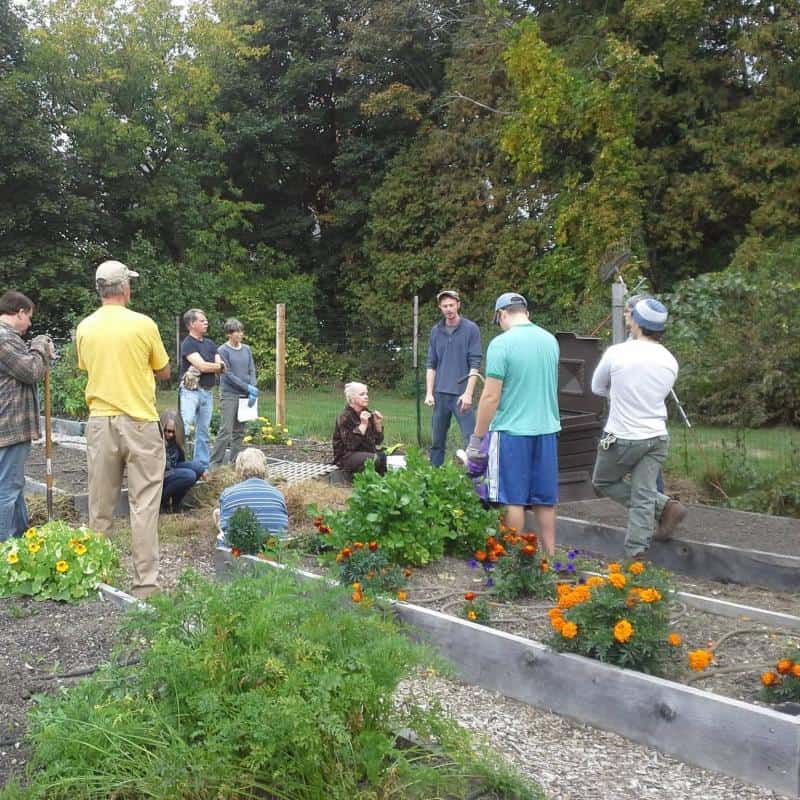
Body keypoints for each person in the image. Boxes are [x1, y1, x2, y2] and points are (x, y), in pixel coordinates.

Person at [76, 260, 171, 599]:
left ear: (100, 289)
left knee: (100, 504)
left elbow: (85, 366)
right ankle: (145, 585)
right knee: (144, 504)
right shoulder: (143, 324)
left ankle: (96, 576)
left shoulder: (85, 327)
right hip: (140, 422)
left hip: (100, 421)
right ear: (126, 288)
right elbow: (163, 371)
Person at [590, 298, 688, 558]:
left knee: (604, 481)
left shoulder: (617, 353)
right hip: (656, 437)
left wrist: (618, 391)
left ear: (637, 323)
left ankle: (661, 510)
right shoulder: (670, 360)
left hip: (622, 436)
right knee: (644, 493)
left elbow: (597, 387)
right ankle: (638, 552)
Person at [466, 293, 561, 555]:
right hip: (547, 429)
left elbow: (491, 396)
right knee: (545, 500)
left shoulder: (501, 344)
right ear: (526, 313)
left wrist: (477, 437)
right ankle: (550, 557)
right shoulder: (550, 341)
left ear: (502, 315)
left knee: (512, 499)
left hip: (511, 432)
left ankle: (514, 561)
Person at [0, 291, 54, 540]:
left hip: (12, 428)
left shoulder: (9, 338)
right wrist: (40, 344)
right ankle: (5, 552)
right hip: (8, 426)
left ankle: (20, 540)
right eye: (29, 317)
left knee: (14, 486)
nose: (30, 323)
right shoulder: (3, 338)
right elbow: (30, 370)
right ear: (19, 312)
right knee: (6, 491)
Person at [425, 289, 482, 466]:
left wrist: (468, 394)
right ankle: (433, 477)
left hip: (461, 395)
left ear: (458, 305)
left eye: (451, 305)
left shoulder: (471, 329)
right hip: (440, 394)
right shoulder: (436, 331)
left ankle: (474, 478)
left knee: (471, 440)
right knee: (437, 441)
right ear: (440, 308)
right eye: (444, 306)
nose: (448, 309)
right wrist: (429, 393)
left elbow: (475, 364)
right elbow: (431, 364)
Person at [179, 308, 225, 470]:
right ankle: (177, 462)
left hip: (207, 391)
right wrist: (215, 366)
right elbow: (203, 366)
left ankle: (201, 467)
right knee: (184, 427)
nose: (206, 322)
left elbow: (222, 366)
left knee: (203, 432)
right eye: (202, 320)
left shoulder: (210, 344)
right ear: (192, 324)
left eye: (206, 320)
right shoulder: (187, 344)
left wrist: (215, 366)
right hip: (190, 392)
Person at [209, 318, 258, 469]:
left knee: (239, 431)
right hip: (229, 394)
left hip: (246, 396)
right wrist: (246, 387)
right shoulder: (223, 350)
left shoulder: (247, 349)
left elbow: (251, 369)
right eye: (236, 332)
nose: (240, 334)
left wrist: (253, 388)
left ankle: (233, 464)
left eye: (241, 331)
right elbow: (227, 374)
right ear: (229, 334)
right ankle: (214, 464)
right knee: (226, 430)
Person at [215, 448, 289, 540]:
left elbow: (224, 523)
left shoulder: (228, 493)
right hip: (275, 548)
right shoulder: (278, 494)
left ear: (239, 468)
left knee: (217, 515)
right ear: (264, 467)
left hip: (238, 549)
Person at [332, 381, 386, 477]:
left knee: (387, 457)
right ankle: (351, 479)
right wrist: (363, 425)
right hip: (346, 457)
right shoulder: (345, 416)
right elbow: (350, 445)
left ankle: (381, 482)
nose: (366, 396)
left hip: (366, 452)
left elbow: (378, 441)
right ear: (352, 398)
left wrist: (378, 424)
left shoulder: (367, 412)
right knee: (374, 459)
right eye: (362, 394)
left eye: (366, 394)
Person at [160, 410, 205, 513]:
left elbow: (181, 460)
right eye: (167, 430)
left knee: (198, 468)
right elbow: (163, 469)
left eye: (173, 432)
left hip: (171, 469)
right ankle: (163, 501)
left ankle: (177, 502)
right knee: (188, 475)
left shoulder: (176, 440)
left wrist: (202, 470)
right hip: (161, 475)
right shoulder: (157, 441)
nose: (170, 434)